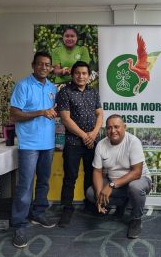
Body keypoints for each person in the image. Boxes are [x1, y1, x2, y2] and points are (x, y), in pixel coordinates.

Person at [9, 52, 58, 248]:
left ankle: (38, 213)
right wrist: (40, 112)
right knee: (25, 185)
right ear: (33, 65)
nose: (44, 67)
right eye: (40, 64)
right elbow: (14, 114)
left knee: (43, 182)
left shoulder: (52, 87)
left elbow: (53, 112)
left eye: (47, 65)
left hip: (48, 143)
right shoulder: (23, 85)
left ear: (51, 67)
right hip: (29, 144)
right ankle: (19, 223)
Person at [85, 114, 152, 239]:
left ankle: (136, 219)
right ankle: (123, 203)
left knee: (134, 188)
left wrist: (111, 185)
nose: (113, 131)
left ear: (124, 127)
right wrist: (100, 196)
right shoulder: (101, 145)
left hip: (139, 180)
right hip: (116, 183)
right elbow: (97, 172)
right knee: (91, 193)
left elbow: (137, 172)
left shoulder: (133, 141)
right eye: (109, 128)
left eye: (117, 127)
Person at [56, 61, 103, 227]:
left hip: (92, 141)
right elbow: (65, 119)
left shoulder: (93, 92)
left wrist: (94, 133)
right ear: (72, 74)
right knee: (70, 176)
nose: (81, 76)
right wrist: (84, 136)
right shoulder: (65, 93)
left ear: (89, 76)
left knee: (92, 175)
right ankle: (67, 209)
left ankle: (90, 205)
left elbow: (99, 114)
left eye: (84, 73)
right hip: (73, 142)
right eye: (78, 73)